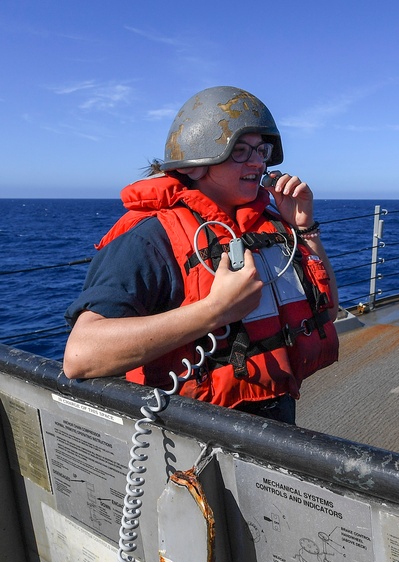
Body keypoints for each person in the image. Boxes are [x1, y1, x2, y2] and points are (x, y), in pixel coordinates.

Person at [63, 86, 339, 425]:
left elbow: (328, 309)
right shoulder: (152, 239)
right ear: (195, 166)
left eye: (260, 150)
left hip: (275, 424)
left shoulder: (269, 224)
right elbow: (81, 355)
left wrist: (305, 228)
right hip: (191, 437)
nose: (257, 162)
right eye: (240, 151)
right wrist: (214, 310)